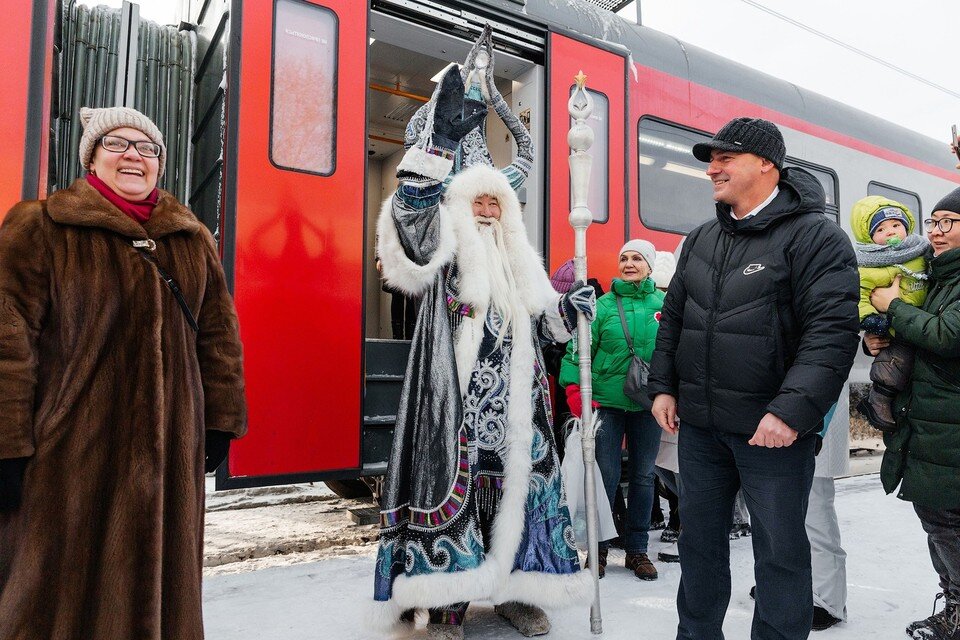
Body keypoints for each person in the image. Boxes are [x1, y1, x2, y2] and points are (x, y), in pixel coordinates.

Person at [370, 35, 593, 640]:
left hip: (518, 405)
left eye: (499, 200)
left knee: (523, 488)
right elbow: (411, 225)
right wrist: (437, 148)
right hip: (456, 400)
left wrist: (571, 308)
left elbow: (550, 322)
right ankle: (445, 603)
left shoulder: (522, 261)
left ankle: (517, 592)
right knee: (457, 488)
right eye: (479, 200)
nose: (490, 209)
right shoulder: (441, 250)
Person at [0, 106, 246, 639]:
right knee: (52, 598)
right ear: (92, 159)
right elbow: (8, 342)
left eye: (147, 148)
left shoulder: (191, 238)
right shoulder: (40, 226)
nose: (134, 155)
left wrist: (222, 420)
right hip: (68, 459)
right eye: (117, 144)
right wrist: (8, 446)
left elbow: (219, 338)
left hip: (170, 459)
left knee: (163, 592)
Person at [647, 116, 860, 640]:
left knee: (780, 555)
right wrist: (663, 386)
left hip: (773, 433)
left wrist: (790, 412)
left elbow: (830, 335)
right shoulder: (700, 239)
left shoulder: (816, 239)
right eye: (710, 160)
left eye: (725, 158)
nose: (712, 169)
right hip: (700, 429)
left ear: (767, 164)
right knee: (699, 547)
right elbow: (674, 319)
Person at [867, 186, 960, 640]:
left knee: (948, 521)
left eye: (949, 223)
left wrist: (895, 307)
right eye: (933, 222)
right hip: (931, 421)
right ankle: (953, 605)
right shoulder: (939, 275)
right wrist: (877, 337)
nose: (936, 233)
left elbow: (946, 334)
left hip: (951, 426)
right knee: (936, 518)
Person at [559, 239, 665, 581]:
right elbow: (578, 348)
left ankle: (637, 551)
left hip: (648, 405)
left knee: (644, 476)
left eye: (637, 258)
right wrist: (575, 388)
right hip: (605, 403)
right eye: (624, 258)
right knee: (603, 477)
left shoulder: (664, 305)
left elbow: (676, 352)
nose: (630, 263)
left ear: (650, 266)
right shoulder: (600, 305)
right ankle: (598, 551)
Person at [850, 196, 929, 431]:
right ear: (869, 237)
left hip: (916, 322)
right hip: (895, 327)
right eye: (881, 229)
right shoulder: (869, 266)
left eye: (896, 225)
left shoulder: (922, 252)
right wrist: (871, 321)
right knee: (894, 364)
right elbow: (859, 297)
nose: (891, 232)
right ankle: (878, 401)